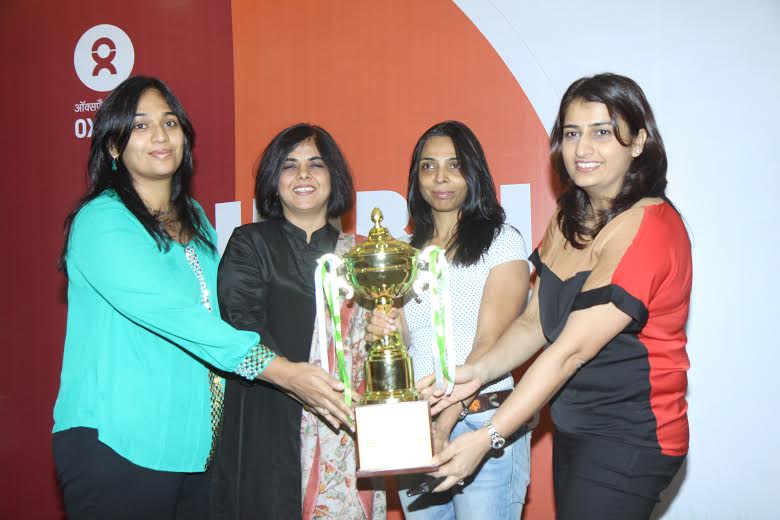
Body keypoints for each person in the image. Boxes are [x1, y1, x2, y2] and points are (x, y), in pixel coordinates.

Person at [52, 77, 351, 520]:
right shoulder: (101, 221)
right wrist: (281, 370)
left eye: (170, 122)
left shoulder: (195, 220)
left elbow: (226, 310)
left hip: (196, 449)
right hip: (118, 439)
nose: (160, 135)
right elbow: (177, 316)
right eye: (140, 125)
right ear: (114, 145)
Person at [423, 74, 692, 520]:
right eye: (571, 133)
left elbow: (569, 351)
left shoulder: (652, 227)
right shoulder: (569, 219)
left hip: (632, 437)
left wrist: (488, 436)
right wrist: (476, 373)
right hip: (576, 427)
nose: (582, 148)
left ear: (639, 142)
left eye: (601, 132)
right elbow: (535, 323)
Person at [210, 124, 385, 520]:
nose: (303, 174)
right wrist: (296, 378)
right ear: (273, 182)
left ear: (334, 178)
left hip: (346, 424)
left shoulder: (361, 255)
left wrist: (384, 330)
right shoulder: (250, 243)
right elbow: (241, 325)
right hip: (271, 417)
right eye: (289, 165)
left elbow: (374, 347)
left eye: (316, 164)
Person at [367, 121, 532, 519]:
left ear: (473, 173)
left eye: (454, 165)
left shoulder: (502, 241)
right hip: (417, 427)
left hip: (483, 422)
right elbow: (410, 340)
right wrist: (385, 331)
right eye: (428, 166)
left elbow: (488, 347)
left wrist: (443, 424)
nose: (440, 177)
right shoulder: (403, 254)